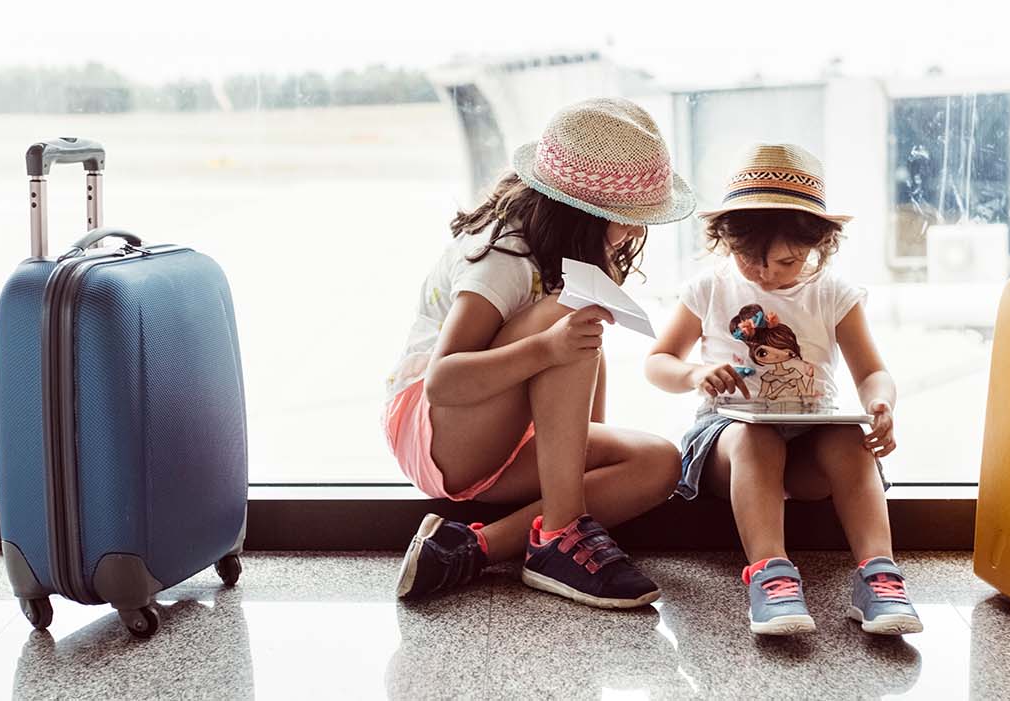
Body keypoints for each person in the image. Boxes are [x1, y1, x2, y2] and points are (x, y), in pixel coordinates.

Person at [386, 98, 695, 608]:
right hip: (437, 433)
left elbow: (580, 374)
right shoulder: (503, 257)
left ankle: (470, 549)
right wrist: (547, 347)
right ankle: (559, 535)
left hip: (496, 433)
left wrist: (584, 453)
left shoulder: (572, 253)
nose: (637, 232)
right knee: (564, 317)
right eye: (628, 218)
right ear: (581, 213)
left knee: (660, 463)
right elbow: (444, 381)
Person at [643, 143, 922, 635]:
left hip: (810, 442)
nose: (767, 274)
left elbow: (872, 373)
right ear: (726, 241)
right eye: (750, 260)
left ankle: (879, 574)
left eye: (787, 262)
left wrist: (881, 403)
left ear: (818, 244)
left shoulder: (833, 293)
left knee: (849, 441)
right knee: (756, 437)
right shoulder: (708, 288)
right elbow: (658, 362)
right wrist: (693, 375)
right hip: (730, 442)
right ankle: (771, 575)